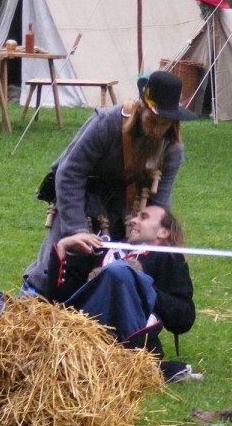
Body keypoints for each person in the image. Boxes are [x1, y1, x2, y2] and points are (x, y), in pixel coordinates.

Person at [23, 70, 197, 297]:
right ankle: (27, 306)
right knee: (59, 265)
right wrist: (76, 229)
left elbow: (159, 200)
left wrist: (155, 239)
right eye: (152, 121)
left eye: (164, 124)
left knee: (112, 271)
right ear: (140, 109)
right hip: (80, 200)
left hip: (124, 209)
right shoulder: (106, 123)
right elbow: (69, 173)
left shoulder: (171, 149)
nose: (157, 130)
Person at [41, 205, 198, 382]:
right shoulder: (100, 251)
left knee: (120, 272)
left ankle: (125, 365)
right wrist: (63, 247)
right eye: (135, 216)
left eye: (144, 217)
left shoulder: (167, 258)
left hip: (132, 341)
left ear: (163, 232)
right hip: (83, 338)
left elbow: (184, 318)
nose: (133, 220)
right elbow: (56, 303)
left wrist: (140, 285)